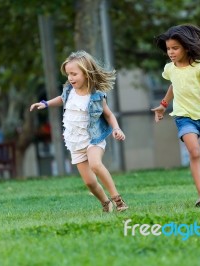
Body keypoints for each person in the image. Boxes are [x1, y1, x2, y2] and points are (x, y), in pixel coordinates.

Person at [30, 50, 128, 212]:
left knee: (96, 165)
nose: (70, 78)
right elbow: (62, 99)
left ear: (86, 73)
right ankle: (105, 203)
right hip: (75, 142)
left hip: (93, 139)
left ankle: (118, 200)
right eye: (68, 74)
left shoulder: (96, 96)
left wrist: (116, 128)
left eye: (74, 74)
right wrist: (45, 103)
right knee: (89, 182)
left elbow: (109, 115)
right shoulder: (69, 91)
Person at [151, 24, 200, 208]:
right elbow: (174, 85)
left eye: (175, 48)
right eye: (168, 49)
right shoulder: (170, 68)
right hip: (184, 116)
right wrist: (163, 105)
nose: (171, 52)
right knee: (194, 153)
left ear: (187, 47)